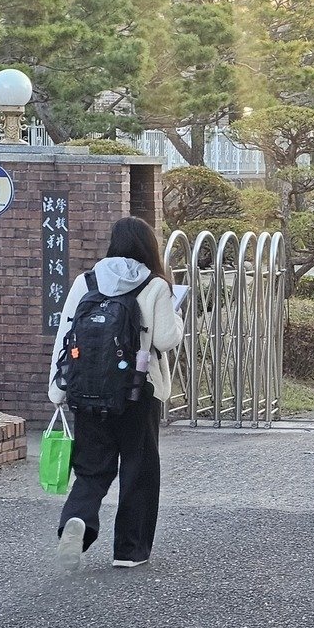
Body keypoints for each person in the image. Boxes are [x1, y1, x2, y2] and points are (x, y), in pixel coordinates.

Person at [48, 216, 184, 570]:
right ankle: (129, 550)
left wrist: (57, 390)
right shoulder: (154, 285)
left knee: (92, 469)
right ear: (148, 247)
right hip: (138, 392)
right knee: (138, 468)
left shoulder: (86, 280)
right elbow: (166, 339)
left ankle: (77, 520)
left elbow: (65, 335)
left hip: (87, 391)